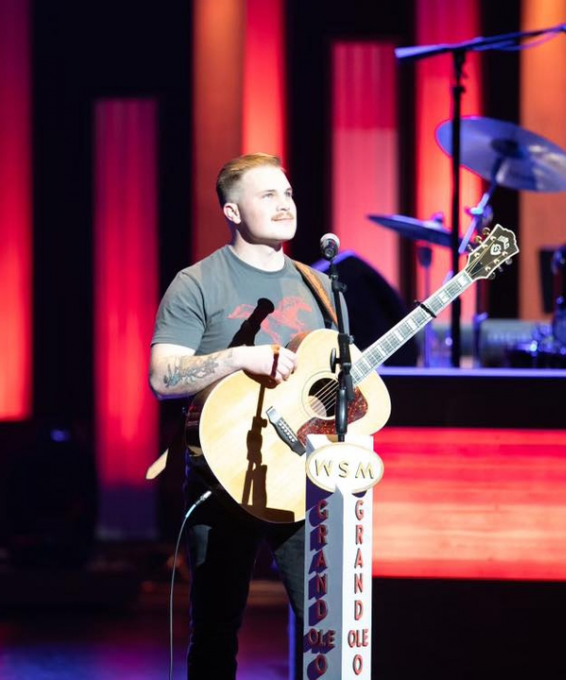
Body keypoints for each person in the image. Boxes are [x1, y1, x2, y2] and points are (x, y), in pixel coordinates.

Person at [149, 153, 342, 679]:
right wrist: (240, 356)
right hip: (224, 477)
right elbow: (162, 378)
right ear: (232, 212)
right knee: (214, 631)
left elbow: (337, 382)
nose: (285, 205)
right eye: (268, 196)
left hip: (302, 480)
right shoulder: (197, 283)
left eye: (288, 193)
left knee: (327, 629)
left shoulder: (319, 285)